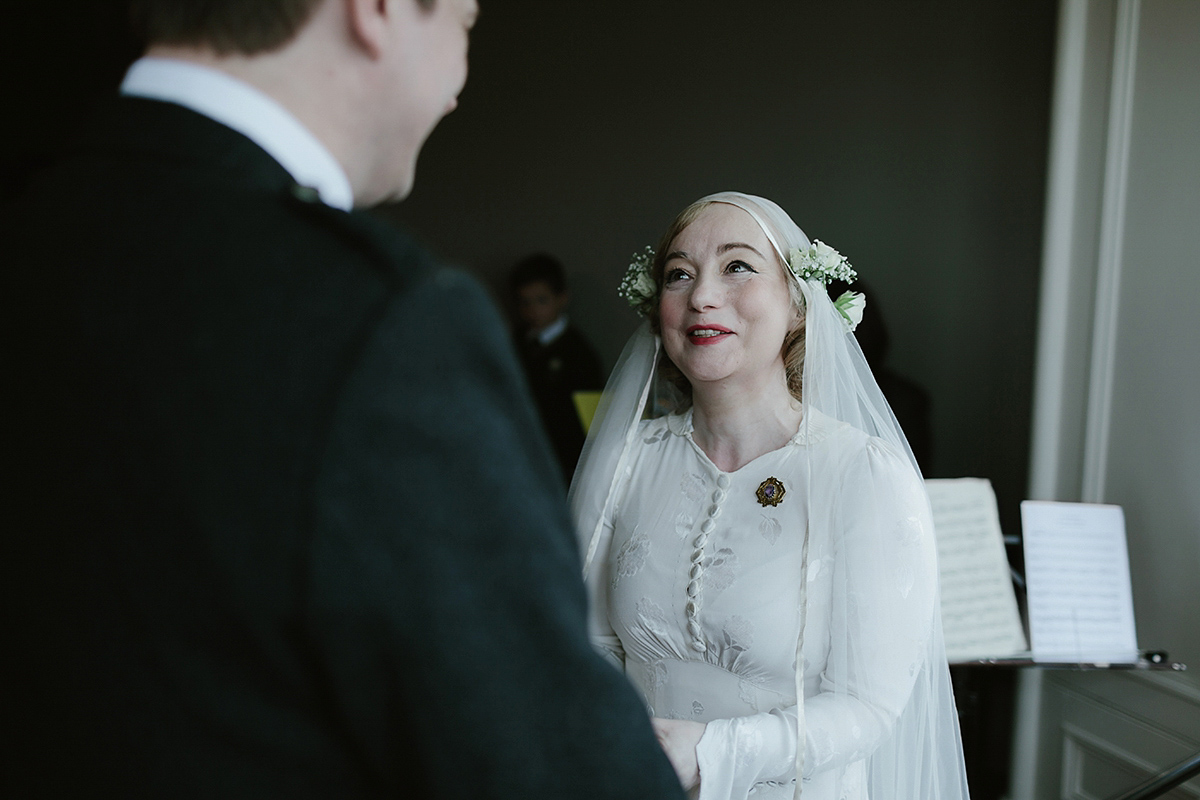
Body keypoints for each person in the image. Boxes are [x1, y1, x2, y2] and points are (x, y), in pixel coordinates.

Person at [4, 2, 686, 798]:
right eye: (465, 25)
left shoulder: (35, 230)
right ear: (380, 10)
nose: (459, 86)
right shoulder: (381, 319)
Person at [571, 192, 970, 799]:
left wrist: (712, 754)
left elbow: (869, 706)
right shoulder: (624, 461)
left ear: (798, 304)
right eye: (679, 274)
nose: (702, 295)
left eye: (738, 266)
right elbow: (588, 644)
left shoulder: (864, 475)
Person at [510, 253, 604, 480]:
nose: (533, 310)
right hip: (519, 451)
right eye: (525, 302)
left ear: (561, 298)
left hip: (561, 461)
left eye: (541, 300)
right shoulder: (515, 341)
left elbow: (587, 418)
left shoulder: (578, 353)